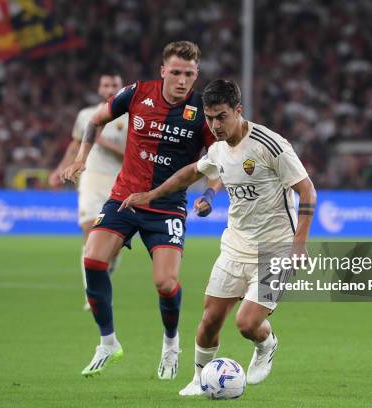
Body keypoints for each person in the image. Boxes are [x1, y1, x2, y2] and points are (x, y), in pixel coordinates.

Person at [119, 79, 317, 395]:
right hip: (235, 245)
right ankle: (199, 380)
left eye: (221, 116)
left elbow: (306, 190)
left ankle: (266, 343)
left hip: (275, 247)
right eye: (210, 118)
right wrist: (153, 194)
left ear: (239, 110)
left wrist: (299, 245)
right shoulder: (218, 150)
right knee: (210, 318)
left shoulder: (270, 144)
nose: (215, 124)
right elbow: (194, 171)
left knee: (247, 324)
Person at [61, 41, 220, 380]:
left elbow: (221, 160)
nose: (181, 80)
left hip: (167, 207)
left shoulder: (203, 111)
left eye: (189, 74)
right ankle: (107, 343)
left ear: (196, 75)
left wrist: (210, 194)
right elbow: (95, 121)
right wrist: (80, 159)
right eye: (175, 72)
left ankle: (171, 343)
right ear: (163, 70)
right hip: (124, 198)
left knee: (165, 283)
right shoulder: (137, 93)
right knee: (92, 260)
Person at [49, 73, 128, 310]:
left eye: (114, 84)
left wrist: (104, 142)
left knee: (112, 244)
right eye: (105, 84)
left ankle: (108, 266)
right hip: (90, 177)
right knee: (90, 230)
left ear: (121, 87)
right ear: (99, 88)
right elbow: (75, 144)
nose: (109, 88)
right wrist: (61, 168)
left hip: (120, 181)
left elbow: (131, 155)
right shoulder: (86, 116)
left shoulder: (131, 117)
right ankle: (92, 295)